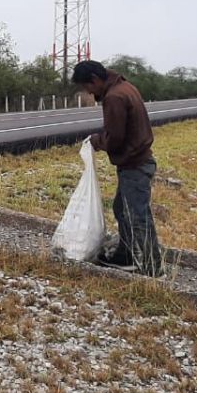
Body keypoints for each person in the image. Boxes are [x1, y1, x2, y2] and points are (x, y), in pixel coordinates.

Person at [71, 60, 163, 275]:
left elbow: (115, 139)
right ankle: (126, 256)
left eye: (88, 87)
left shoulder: (114, 97)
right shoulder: (125, 87)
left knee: (137, 216)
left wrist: (96, 140)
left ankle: (153, 266)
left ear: (95, 79)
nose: (89, 93)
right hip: (139, 161)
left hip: (135, 164)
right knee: (122, 209)